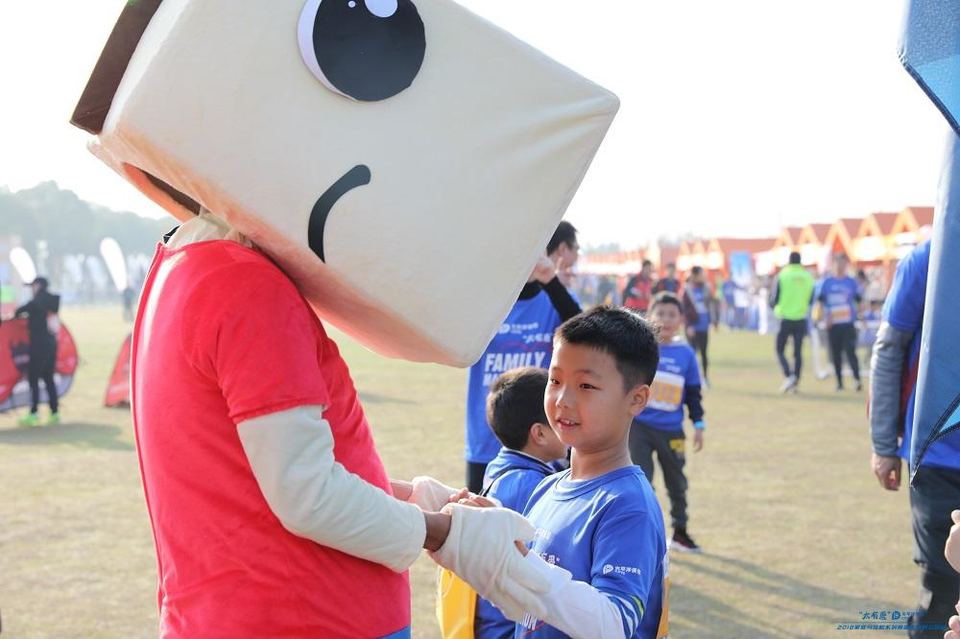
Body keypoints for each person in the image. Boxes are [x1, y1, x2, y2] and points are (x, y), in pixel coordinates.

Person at [463, 306, 668, 638]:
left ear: (636, 399)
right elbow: (525, 607)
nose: (562, 399)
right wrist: (486, 541)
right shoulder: (547, 488)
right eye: (555, 380)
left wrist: (522, 563)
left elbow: (614, 624)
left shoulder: (628, 506)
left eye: (585, 385)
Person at [869, 240, 960, 639]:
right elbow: (890, 349)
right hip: (938, 457)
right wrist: (883, 444)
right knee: (943, 591)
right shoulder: (929, 258)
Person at [464, 222, 582, 494]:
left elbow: (587, 336)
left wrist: (550, 281)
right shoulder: (486, 302)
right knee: (481, 515)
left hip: (543, 439)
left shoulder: (555, 299)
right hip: (486, 436)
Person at [475, 367, 567, 639]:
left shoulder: (502, 466)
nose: (570, 423)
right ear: (539, 434)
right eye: (560, 419)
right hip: (511, 628)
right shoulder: (531, 486)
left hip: (493, 623)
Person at [630, 292, 705, 553]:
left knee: (677, 483)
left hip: (672, 431)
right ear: (649, 316)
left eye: (672, 315)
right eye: (660, 313)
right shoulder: (642, 350)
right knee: (640, 483)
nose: (666, 320)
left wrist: (698, 424)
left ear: (681, 319)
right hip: (638, 428)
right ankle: (643, 535)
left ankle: (680, 532)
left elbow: (693, 394)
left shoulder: (687, 354)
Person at [14, 277, 60, 426]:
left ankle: (34, 413)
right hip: (52, 345)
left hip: (38, 347)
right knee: (48, 379)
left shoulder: (36, 302)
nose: (32, 290)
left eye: (33, 286)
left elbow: (19, 311)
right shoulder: (53, 301)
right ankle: (54, 413)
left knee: (33, 379)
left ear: (38, 286)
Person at [816, 254, 863, 391]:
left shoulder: (851, 282)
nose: (840, 266)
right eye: (838, 263)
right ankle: (839, 383)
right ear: (833, 264)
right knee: (835, 354)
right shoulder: (826, 282)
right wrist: (823, 318)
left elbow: (859, 301)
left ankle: (857, 380)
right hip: (833, 325)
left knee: (850, 351)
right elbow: (820, 303)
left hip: (848, 324)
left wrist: (861, 317)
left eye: (843, 263)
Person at [771, 252, 815, 393]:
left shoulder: (782, 275)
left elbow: (774, 299)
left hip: (784, 318)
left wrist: (775, 307)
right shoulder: (807, 276)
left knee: (779, 350)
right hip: (801, 318)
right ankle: (795, 381)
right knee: (798, 352)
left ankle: (788, 375)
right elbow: (811, 298)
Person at [682, 266, 711, 384]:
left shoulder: (706, 288)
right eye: (701, 274)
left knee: (704, 353)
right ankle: (692, 379)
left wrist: (712, 320)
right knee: (692, 354)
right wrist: (689, 325)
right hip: (692, 326)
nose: (704, 276)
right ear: (694, 275)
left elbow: (710, 305)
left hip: (703, 325)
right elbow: (684, 309)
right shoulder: (687, 289)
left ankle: (705, 378)